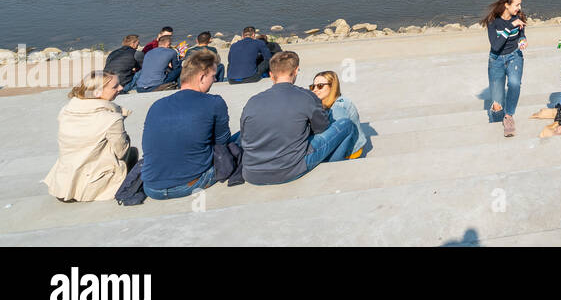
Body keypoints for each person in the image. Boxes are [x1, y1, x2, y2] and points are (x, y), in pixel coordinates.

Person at [238, 51, 357, 185]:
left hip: (252, 173)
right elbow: (322, 128)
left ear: (271, 75)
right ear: (295, 71)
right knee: (346, 125)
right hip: (288, 170)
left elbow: (244, 136)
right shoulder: (306, 97)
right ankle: (333, 169)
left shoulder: (252, 101)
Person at [140, 50, 232, 200]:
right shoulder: (214, 102)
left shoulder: (157, 105)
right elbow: (223, 142)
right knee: (241, 136)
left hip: (151, 187)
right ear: (202, 77)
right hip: (189, 184)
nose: (214, 80)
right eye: (213, 76)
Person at [43, 70, 136, 202]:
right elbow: (122, 152)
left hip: (63, 184)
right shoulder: (111, 118)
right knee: (133, 153)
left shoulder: (66, 110)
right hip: (90, 186)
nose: (121, 88)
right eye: (115, 86)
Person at [481, 0, 527, 138]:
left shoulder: (518, 16)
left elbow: (521, 33)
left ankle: (509, 117)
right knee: (497, 103)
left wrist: (522, 40)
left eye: (520, 4)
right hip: (496, 59)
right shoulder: (493, 21)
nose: (519, 8)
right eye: (516, 5)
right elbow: (496, 45)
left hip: (514, 56)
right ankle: (495, 124)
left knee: (514, 83)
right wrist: (510, 26)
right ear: (507, 5)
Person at [310, 71, 365, 159]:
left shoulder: (338, 107)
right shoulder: (323, 103)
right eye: (312, 86)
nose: (315, 89)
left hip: (351, 151)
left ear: (332, 87)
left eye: (320, 86)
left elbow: (339, 136)